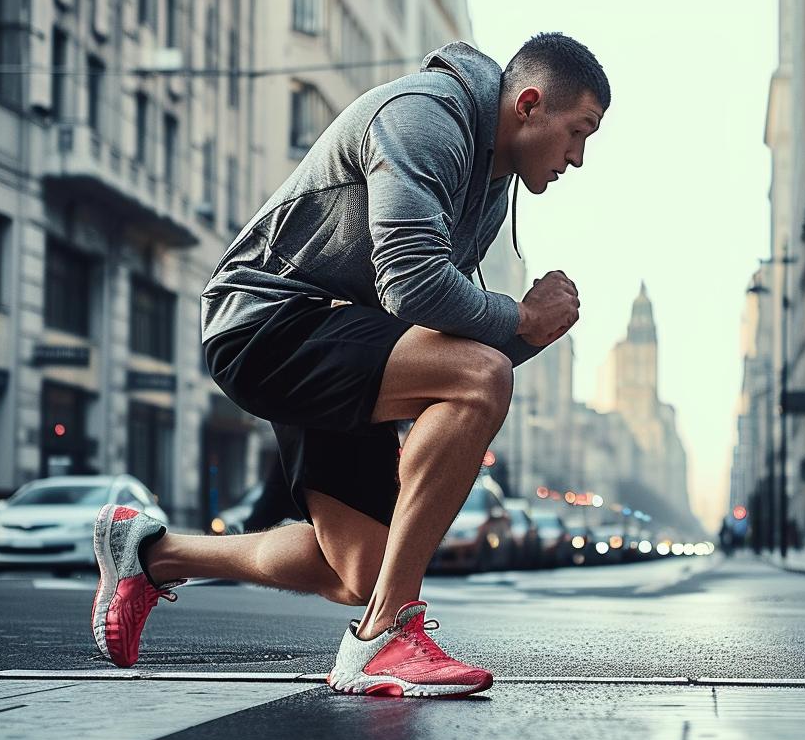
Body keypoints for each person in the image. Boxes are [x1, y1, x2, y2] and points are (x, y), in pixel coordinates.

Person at [89, 34, 610, 698]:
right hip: (266, 321)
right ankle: (385, 637)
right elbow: (413, 286)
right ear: (529, 105)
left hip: (343, 337)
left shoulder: (488, 181)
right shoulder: (426, 116)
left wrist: (533, 331)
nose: (577, 158)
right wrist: (520, 316)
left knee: (362, 572)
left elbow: (448, 341)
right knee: (481, 378)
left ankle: (152, 555)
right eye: (578, 132)